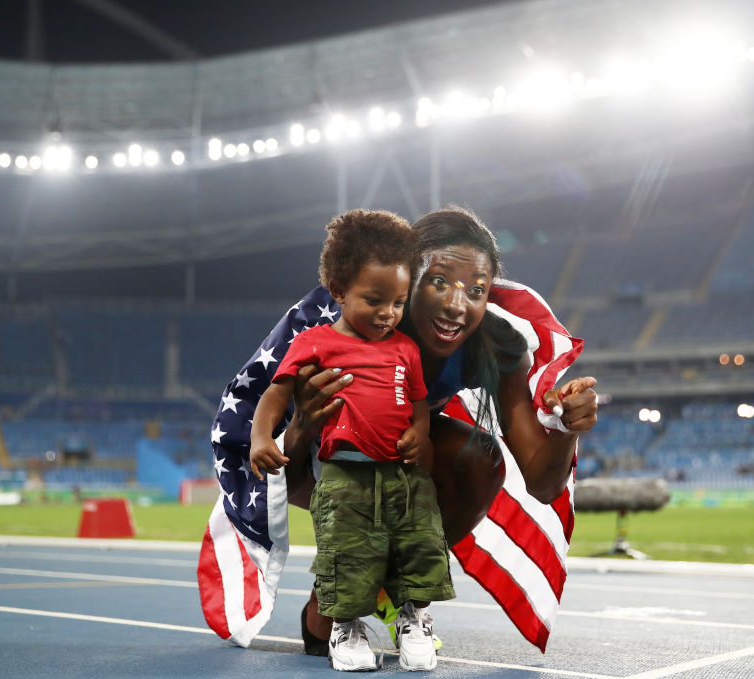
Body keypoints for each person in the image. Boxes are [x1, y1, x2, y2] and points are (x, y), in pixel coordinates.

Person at [255, 206, 599, 655]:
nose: (459, 306)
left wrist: (569, 427)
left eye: (477, 290)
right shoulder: (344, 327)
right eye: (439, 282)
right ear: (406, 275)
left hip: (399, 453)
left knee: (478, 458)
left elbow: (542, 482)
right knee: (328, 604)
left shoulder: (494, 344)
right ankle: (337, 599)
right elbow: (286, 469)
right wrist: (300, 427)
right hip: (312, 455)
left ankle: (402, 598)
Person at [250, 209, 454, 671]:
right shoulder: (313, 343)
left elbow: (419, 401)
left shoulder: (405, 348)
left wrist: (420, 433)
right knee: (347, 552)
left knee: (421, 542)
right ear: (339, 292)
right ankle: (346, 626)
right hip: (344, 472)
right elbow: (275, 394)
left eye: (399, 302)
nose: (388, 313)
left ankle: (415, 618)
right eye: (374, 300)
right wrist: (261, 436)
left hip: (404, 474)